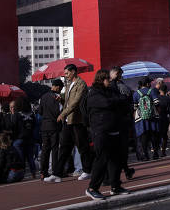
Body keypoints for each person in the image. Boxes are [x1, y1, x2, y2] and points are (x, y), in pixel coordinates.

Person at [85, 69, 130, 200]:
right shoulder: (93, 93)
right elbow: (107, 103)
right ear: (101, 79)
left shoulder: (110, 90)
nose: (110, 81)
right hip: (101, 130)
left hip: (114, 129)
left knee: (116, 159)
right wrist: (117, 101)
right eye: (107, 79)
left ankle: (115, 186)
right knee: (102, 159)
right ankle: (92, 187)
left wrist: (117, 100)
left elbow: (123, 100)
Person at [46, 64, 92, 183]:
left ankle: (87, 170)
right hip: (68, 121)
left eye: (67, 73)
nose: (65, 76)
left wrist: (62, 114)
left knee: (82, 146)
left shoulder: (81, 84)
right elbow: (68, 102)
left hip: (77, 120)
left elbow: (75, 102)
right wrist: (61, 100)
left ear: (73, 72)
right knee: (64, 147)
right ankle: (57, 174)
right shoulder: (68, 84)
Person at [109, 67, 135, 179]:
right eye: (120, 75)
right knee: (121, 149)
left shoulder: (107, 87)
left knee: (118, 149)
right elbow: (128, 103)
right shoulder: (121, 87)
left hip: (113, 121)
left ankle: (125, 170)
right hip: (121, 121)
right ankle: (119, 174)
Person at [39, 79, 63, 180]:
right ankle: (55, 171)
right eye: (60, 88)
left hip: (44, 125)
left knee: (45, 149)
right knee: (54, 149)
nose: (60, 90)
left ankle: (43, 172)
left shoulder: (43, 97)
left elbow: (40, 111)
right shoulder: (57, 97)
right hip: (54, 125)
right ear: (57, 86)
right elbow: (58, 111)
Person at [133, 77, 161, 160]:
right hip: (152, 117)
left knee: (143, 137)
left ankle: (145, 155)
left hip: (141, 119)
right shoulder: (151, 91)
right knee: (153, 135)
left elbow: (134, 107)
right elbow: (157, 103)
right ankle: (155, 154)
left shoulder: (136, 93)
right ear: (148, 84)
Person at [154, 83, 170, 157]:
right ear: (166, 90)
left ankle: (156, 152)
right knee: (164, 136)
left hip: (157, 118)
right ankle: (163, 152)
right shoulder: (168, 99)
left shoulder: (156, 98)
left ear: (159, 90)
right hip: (165, 118)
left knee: (157, 136)